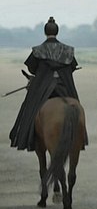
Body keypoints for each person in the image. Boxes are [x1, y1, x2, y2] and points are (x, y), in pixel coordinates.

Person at [10, 17, 80, 151]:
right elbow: (72, 67)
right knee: (76, 107)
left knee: (29, 108)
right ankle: (80, 138)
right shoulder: (67, 51)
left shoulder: (38, 51)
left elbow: (32, 69)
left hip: (43, 88)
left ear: (45, 32)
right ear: (57, 32)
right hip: (64, 87)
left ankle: (25, 137)